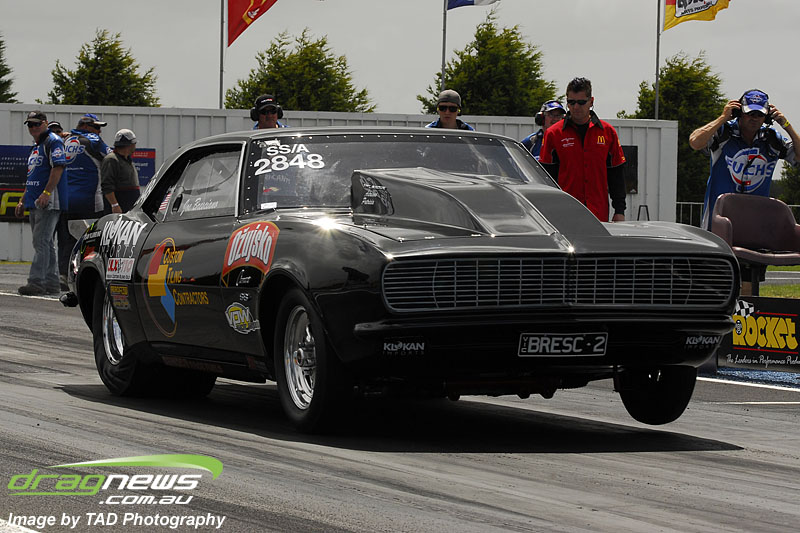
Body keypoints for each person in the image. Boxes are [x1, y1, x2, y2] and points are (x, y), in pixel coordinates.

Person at [689, 89, 800, 230]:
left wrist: (787, 126)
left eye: (760, 114)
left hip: (755, 223)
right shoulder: (724, 133)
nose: (755, 118)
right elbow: (695, 142)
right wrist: (722, 118)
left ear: (767, 117)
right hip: (718, 221)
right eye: (750, 113)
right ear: (739, 112)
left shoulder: (772, 139)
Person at [539, 77, 627, 222]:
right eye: (571, 102)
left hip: (598, 213)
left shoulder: (607, 132)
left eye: (581, 102)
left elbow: (616, 175)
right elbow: (546, 179)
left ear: (591, 102)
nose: (576, 107)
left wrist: (619, 210)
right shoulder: (553, 134)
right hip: (564, 214)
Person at [14, 111, 68, 296]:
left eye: (37, 124)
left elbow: (58, 167)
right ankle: (51, 283)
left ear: (45, 123)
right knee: (46, 243)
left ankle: (37, 282)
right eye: (30, 125)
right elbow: (32, 177)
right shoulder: (36, 147)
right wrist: (22, 201)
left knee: (41, 242)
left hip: (48, 201)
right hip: (34, 201)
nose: (33, 127)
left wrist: (47, 192)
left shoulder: (53, 142)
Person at [56, 113, 112, 289]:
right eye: (97, 127)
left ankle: (63, 275)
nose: (99, 131)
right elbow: (111, 157)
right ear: (86, 127)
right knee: (91, 238)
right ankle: (86, 276)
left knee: (66, 240)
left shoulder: (65, 141)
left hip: (65, 200)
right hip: (89, 201)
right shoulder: (92, 140)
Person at [101, 129, 141, 213]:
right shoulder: (111, 160)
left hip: (129, 208)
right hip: (119, 208)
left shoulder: (127, 160)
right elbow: (107, 185)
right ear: (129, 145)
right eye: (134, 144)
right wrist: (114, 205)